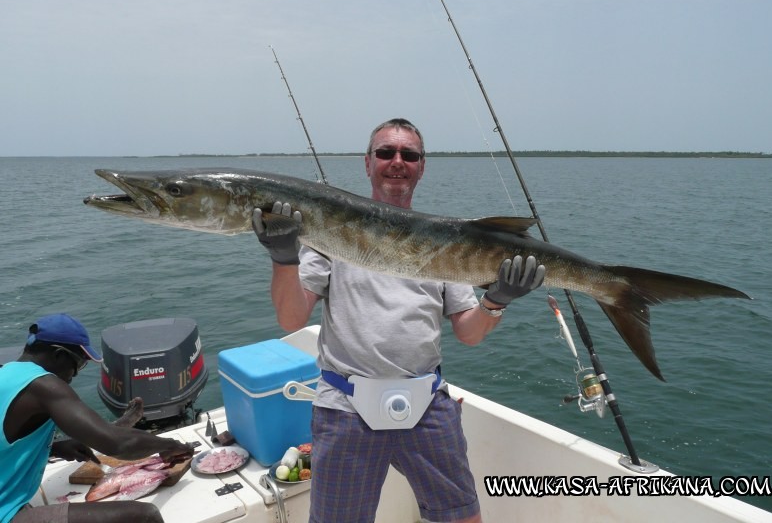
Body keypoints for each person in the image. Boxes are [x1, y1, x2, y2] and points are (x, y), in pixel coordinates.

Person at [253, 118, 545, 523]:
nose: (397, 161)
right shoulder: (328, 232)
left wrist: (497, 300)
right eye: (386, 152)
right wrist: (283, 258)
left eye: (409, 155)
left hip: (428, 406)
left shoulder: (447, 242)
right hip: (345, 409)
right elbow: (291, 318)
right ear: (367, 162)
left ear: (422, 166)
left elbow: (469, 333)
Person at [0, 313, 195, 523]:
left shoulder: (7, 374)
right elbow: (118, 444)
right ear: (58, 354)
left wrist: (53, 448)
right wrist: (167, 445)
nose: (74, 375)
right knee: (145, 516)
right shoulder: (44, 386)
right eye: (79, 364)